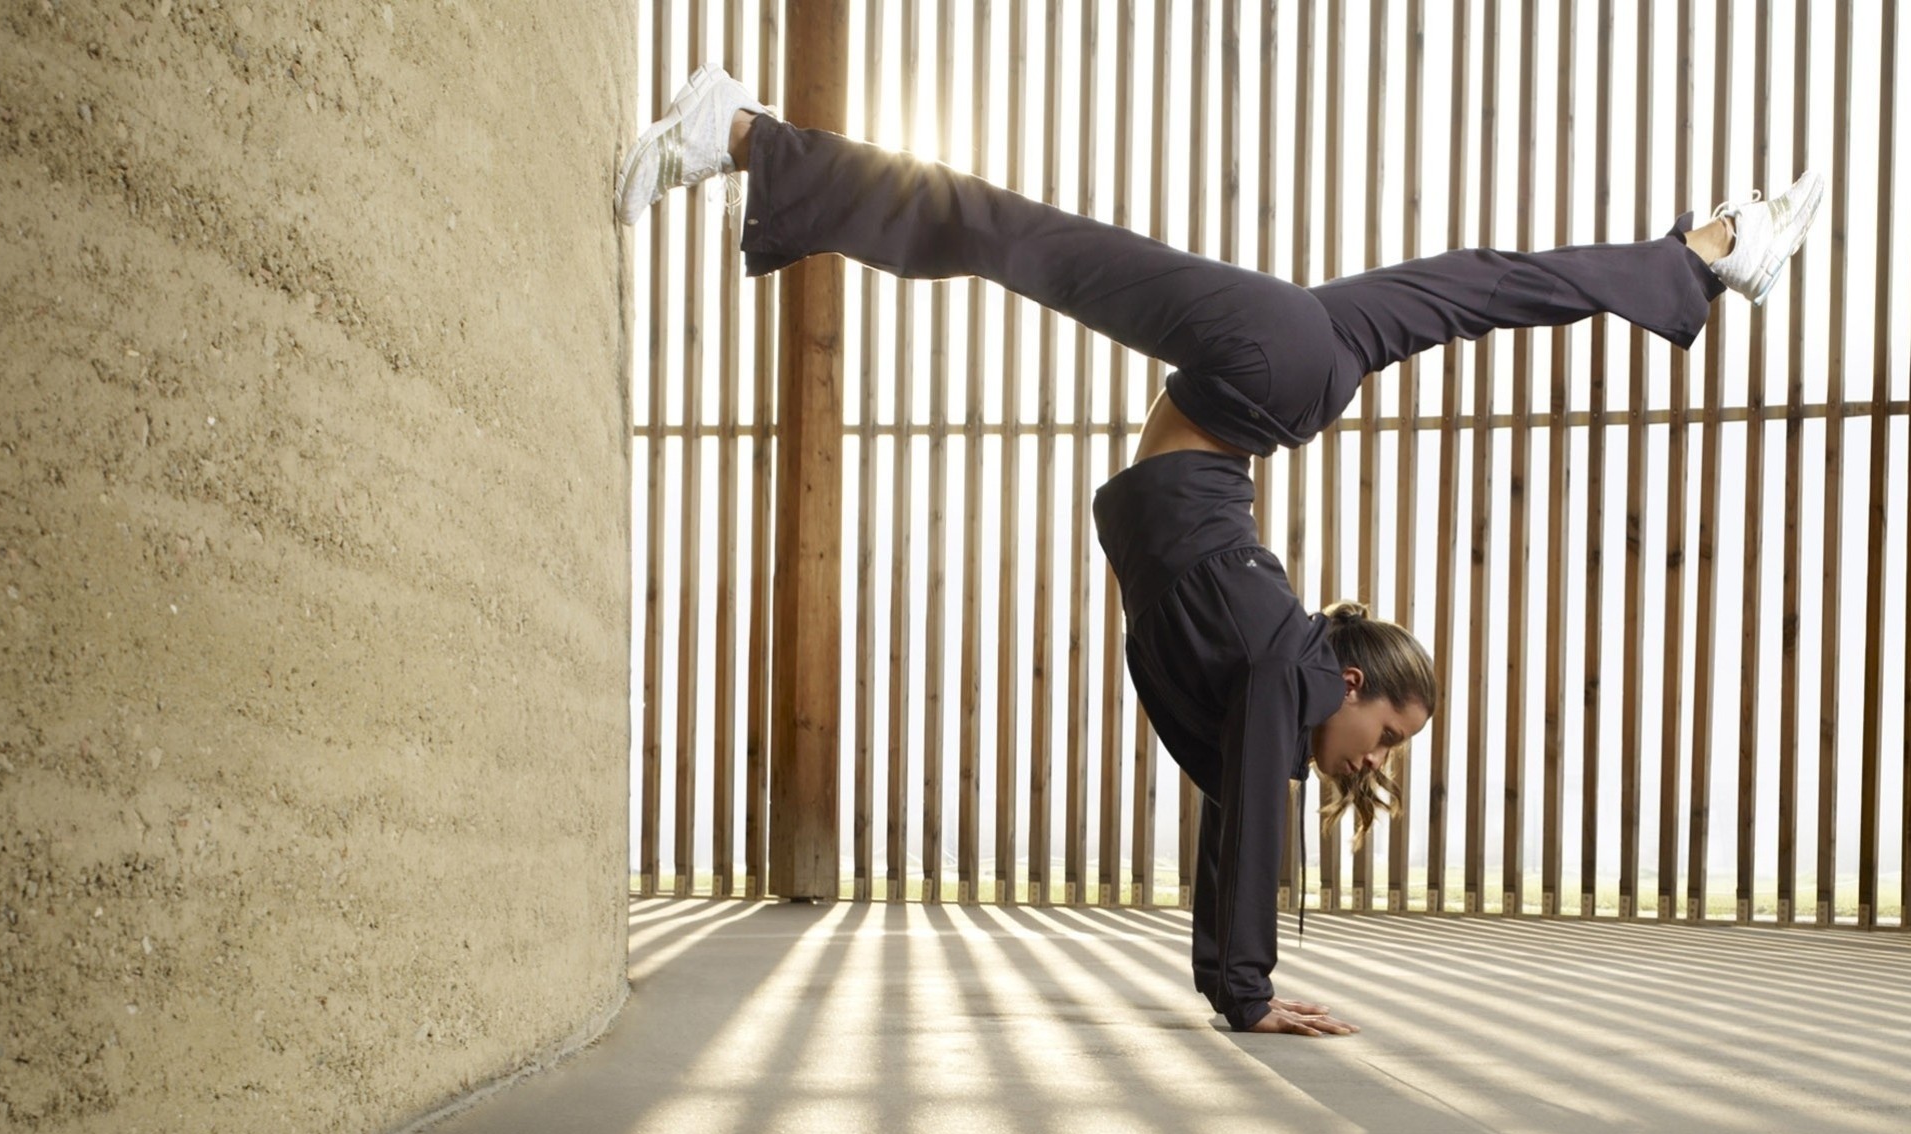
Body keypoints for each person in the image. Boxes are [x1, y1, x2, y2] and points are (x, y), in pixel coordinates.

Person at [618, 65, 1824, 1037]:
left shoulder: (1274, 675)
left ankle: (1711, 249)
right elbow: (1249, 821)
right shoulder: (1288, 665)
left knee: (1475, 289)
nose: (1378, 758)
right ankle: (747, 135)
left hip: (1281, 371)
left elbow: (1244, 795)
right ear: (1351, 682)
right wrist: (1242, 993)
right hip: (1263, 370)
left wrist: (1250, 944)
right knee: (1009, 234)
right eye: (1390, 733)